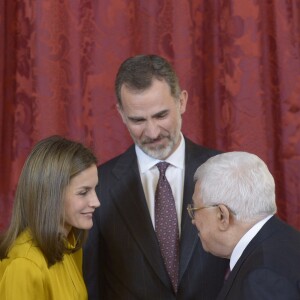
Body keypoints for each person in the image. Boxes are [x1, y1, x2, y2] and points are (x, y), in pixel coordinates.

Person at [83, 54, 228, 299]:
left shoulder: (224, 171)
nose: (151, 132)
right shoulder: (98, 185)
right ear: (120, 114)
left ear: (181, 102)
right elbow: (92, 283)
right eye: (137, 120)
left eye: (161, 115)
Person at [189, 151, 300, 300]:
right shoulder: (286, 238)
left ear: (222, 215)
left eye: (195, 209)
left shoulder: (262, 277)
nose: (193, 220)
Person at [0, 135, 100, 299]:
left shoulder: (70, 245)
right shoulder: (24, 266)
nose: (96, 202)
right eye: (83, 192)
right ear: (50, 195)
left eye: (95, 189)